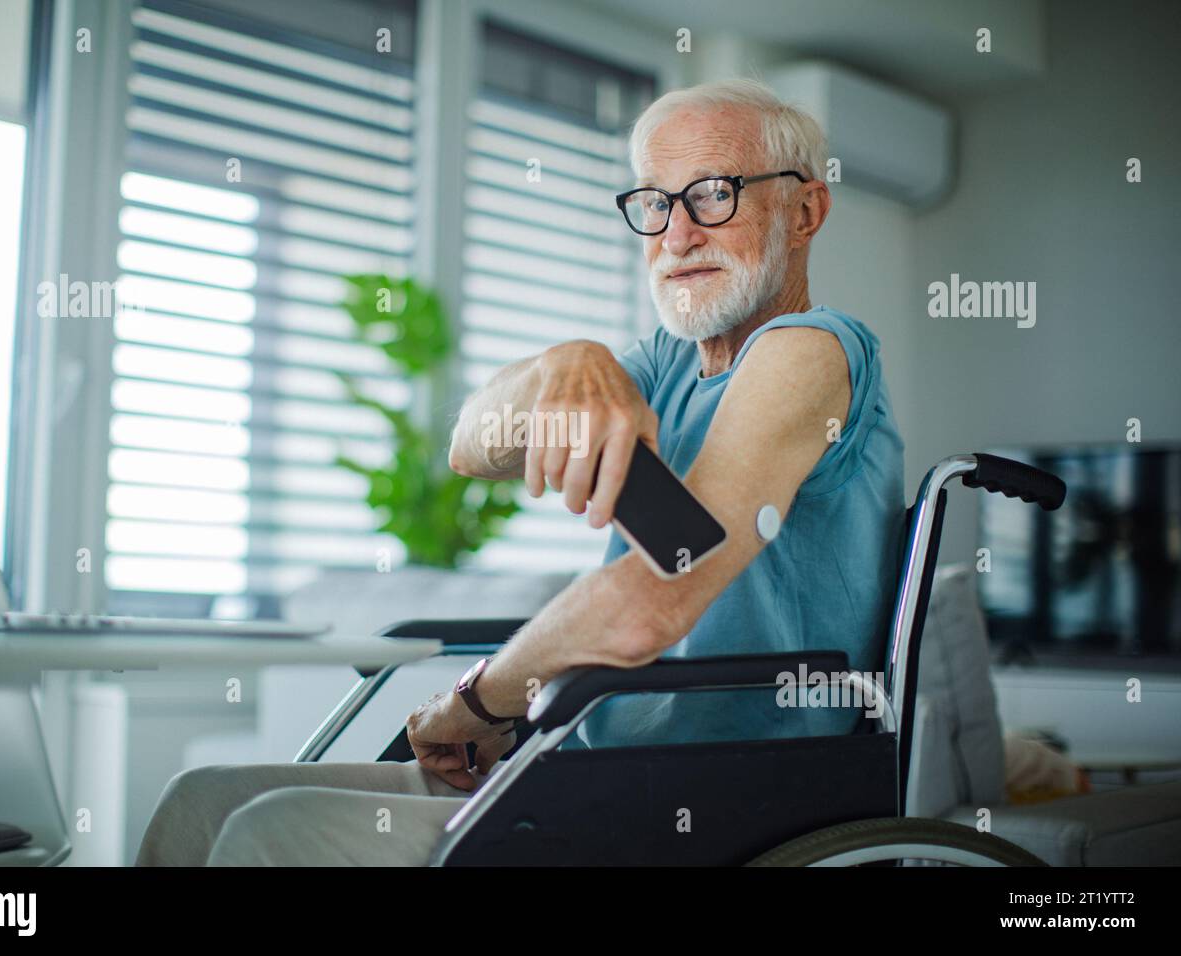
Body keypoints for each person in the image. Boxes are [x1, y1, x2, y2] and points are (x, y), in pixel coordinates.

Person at [136, 75, 906, 866]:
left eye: (714, 194)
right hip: (583, 768)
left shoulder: (809, 352)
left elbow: (651, 603)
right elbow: (472, 447)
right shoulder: (669, 366)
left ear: (806, 211)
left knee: (271, 834)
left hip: (711, 796)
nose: (677, 235)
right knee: (200, 800)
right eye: (654, 202)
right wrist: (563, 364)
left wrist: (476, 702)